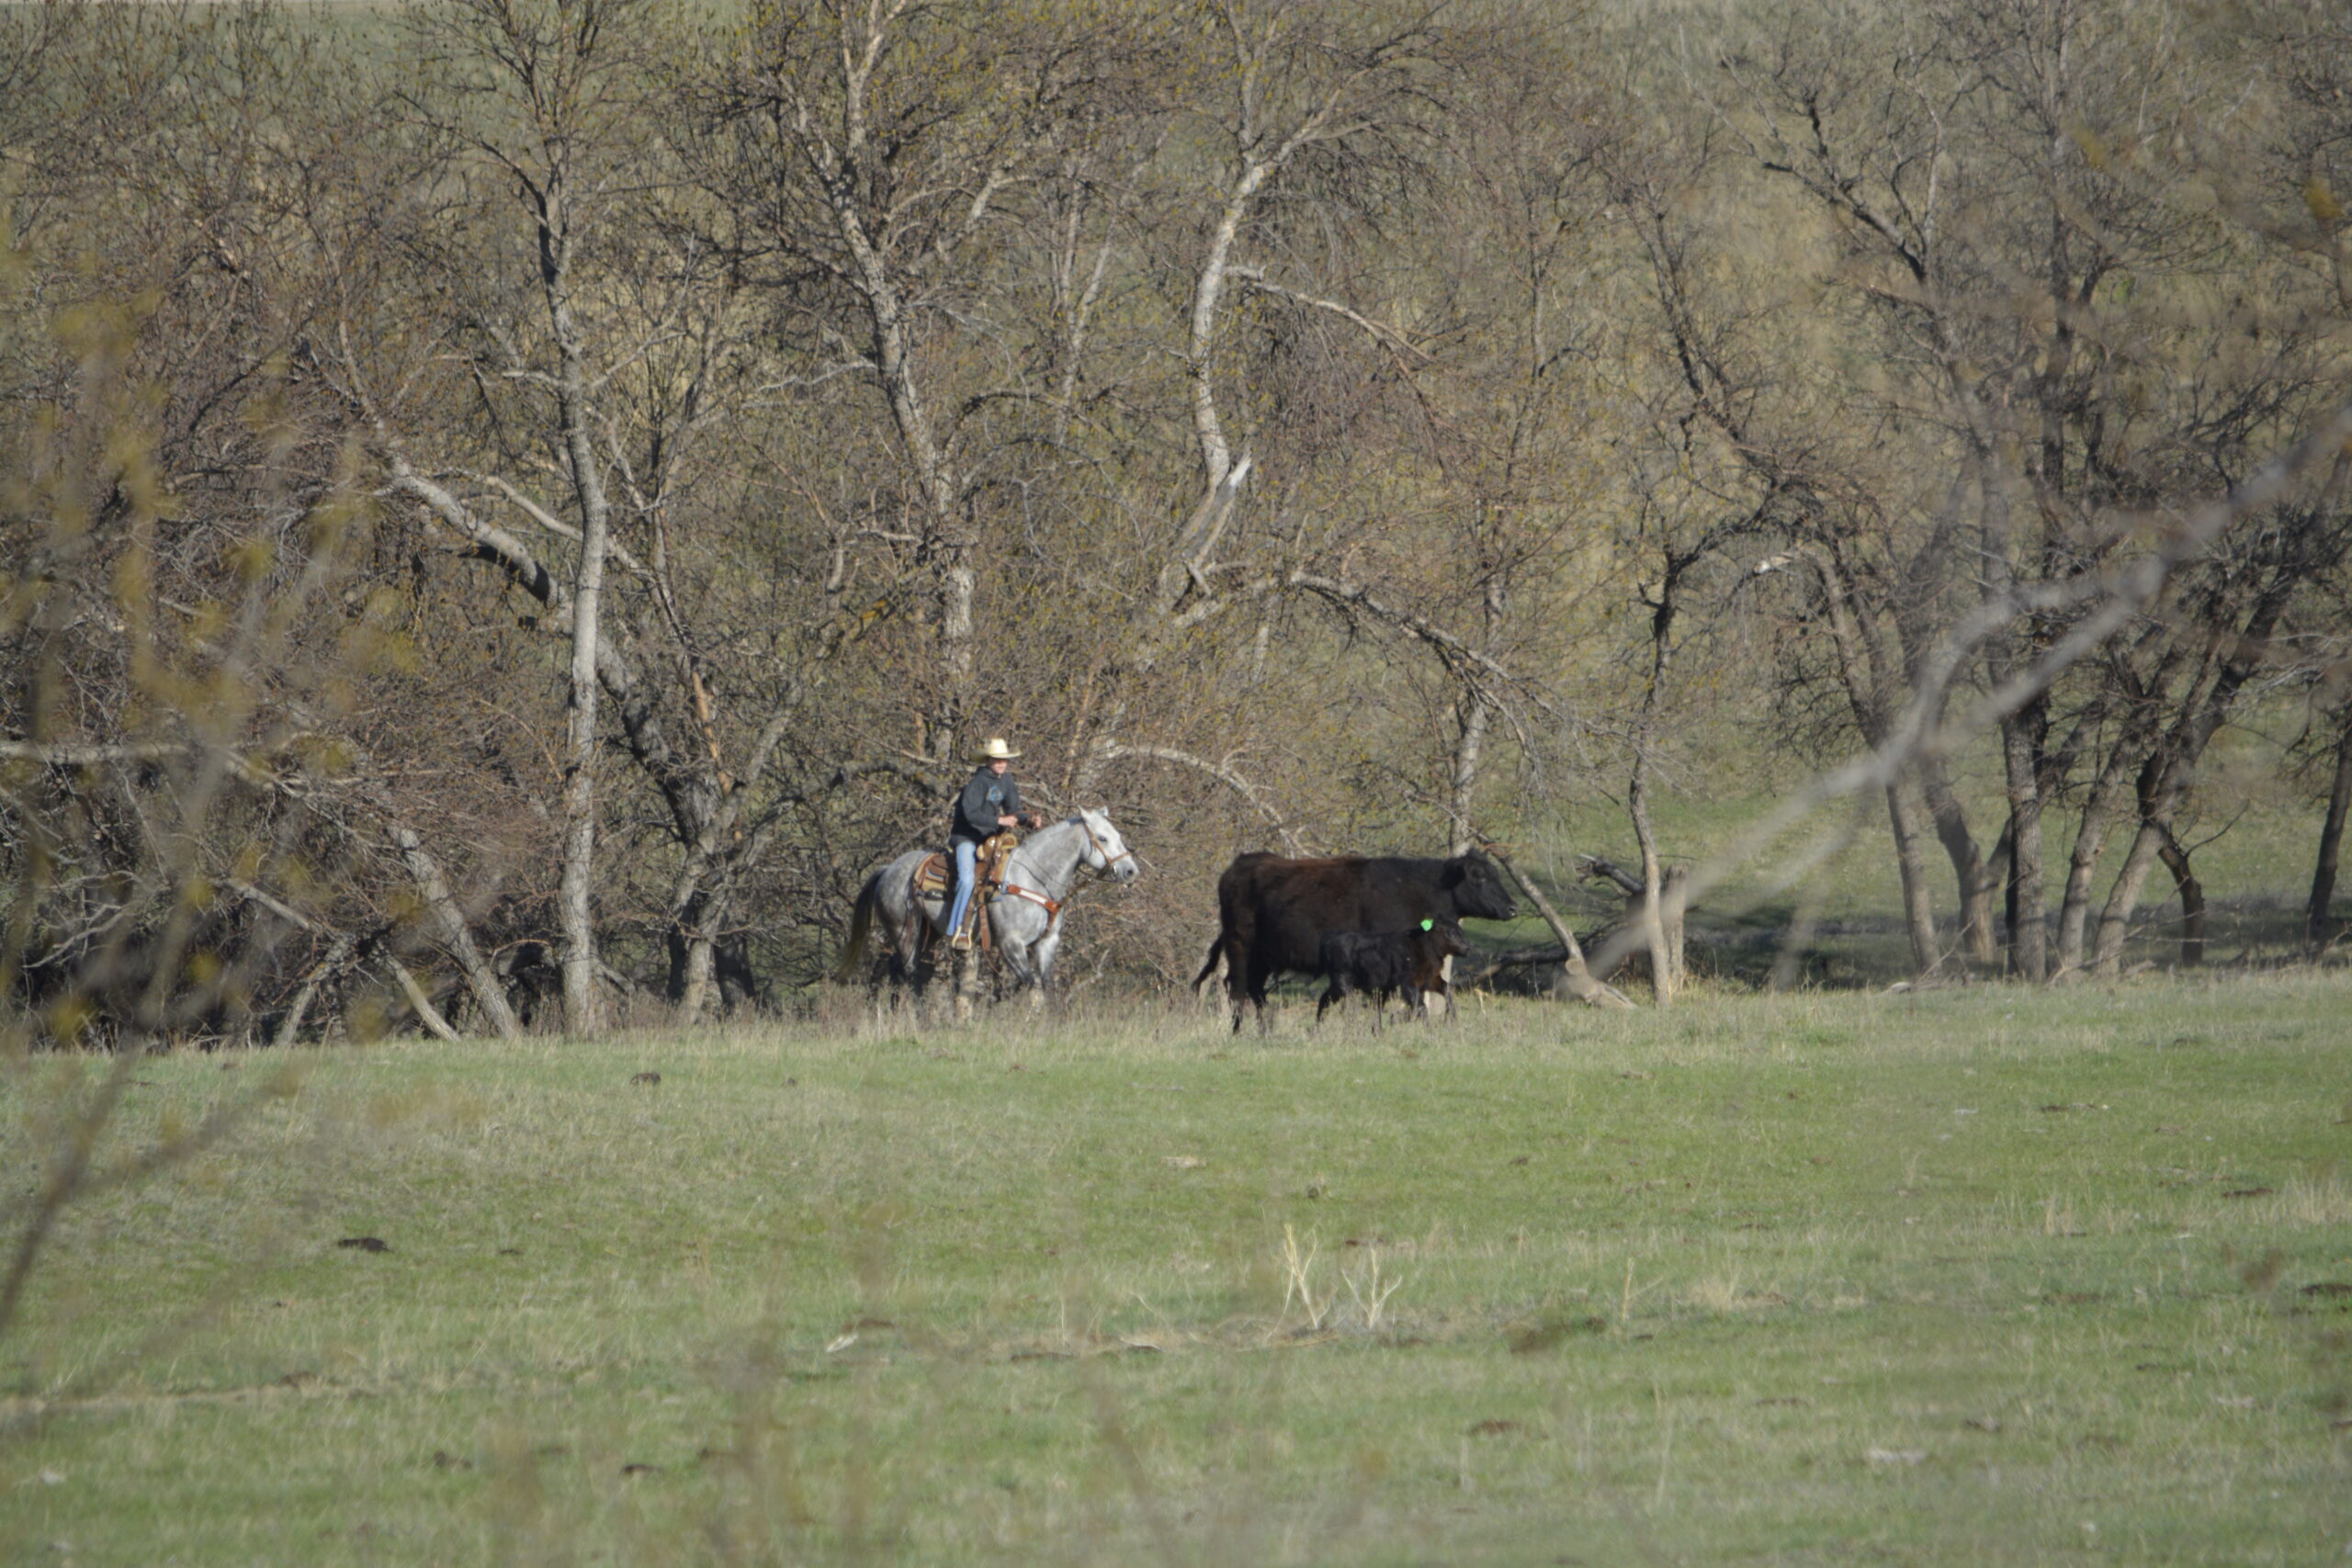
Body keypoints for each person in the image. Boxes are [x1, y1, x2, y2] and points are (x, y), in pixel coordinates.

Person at [945, 738, 1043, 950]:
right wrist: (998, 821)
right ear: (988, 760)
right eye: (997, 760)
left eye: (1004, 760)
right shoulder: (977, 783)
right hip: (966, 838)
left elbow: (1014, 809)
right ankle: (958, 929)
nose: (1002, 763)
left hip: (991, 840)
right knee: (967, 879)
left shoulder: (1006, 780)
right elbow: (970, 814)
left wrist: (1028, 820)